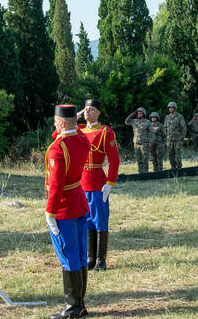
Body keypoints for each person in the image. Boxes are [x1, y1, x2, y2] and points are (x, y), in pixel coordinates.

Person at [45, 104, 90, 319]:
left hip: (63, 207)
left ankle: (72, 308)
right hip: (79, 202)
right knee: (81, 255)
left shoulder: (58, 148)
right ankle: (80, 304)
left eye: (56, 121)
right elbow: (73, 131)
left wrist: (49, 213)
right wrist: (73, 121)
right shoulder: (82, 140)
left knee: (68, 256)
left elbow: (55, 184)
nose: (54, 124)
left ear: (62, 122)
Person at [78, 98, 119, 271]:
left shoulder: (105, 132)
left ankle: (101, 260)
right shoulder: (78, 130)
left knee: (100, 220)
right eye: (86, 109)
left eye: (92, 109)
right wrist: (75, 115)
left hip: (97, 183)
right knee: (87, 221)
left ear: (98, 112)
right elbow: (56, 134)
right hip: (81, 184)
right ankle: (90, 257)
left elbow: (114, 159)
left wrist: (110, 182)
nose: (88, 111)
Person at [124, 107, 153, 173]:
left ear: (143, 114)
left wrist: (150, 143)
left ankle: (145, 174)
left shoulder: (147, 122)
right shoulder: (134, 121)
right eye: (138, 113)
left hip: (144, 144)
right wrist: (131, 115)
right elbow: (126, 122)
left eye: (140, 113)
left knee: (145, 159)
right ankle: (140, 173)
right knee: (138, 159)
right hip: (136, 144)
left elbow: (152, 133)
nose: (139, 114)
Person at [163, 102, 187, 170]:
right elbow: (164, 128)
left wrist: (182, 139)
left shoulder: (179, 116)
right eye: (169, 108)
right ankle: (173, 168)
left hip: (177, 139)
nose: (170, 109)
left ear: (175, 108)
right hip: (169, 140)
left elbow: (184, 128)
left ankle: (179, 168)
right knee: (170, 155)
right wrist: (164, 139)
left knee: (178, 154)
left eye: (172, 107)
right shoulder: (167, 117)